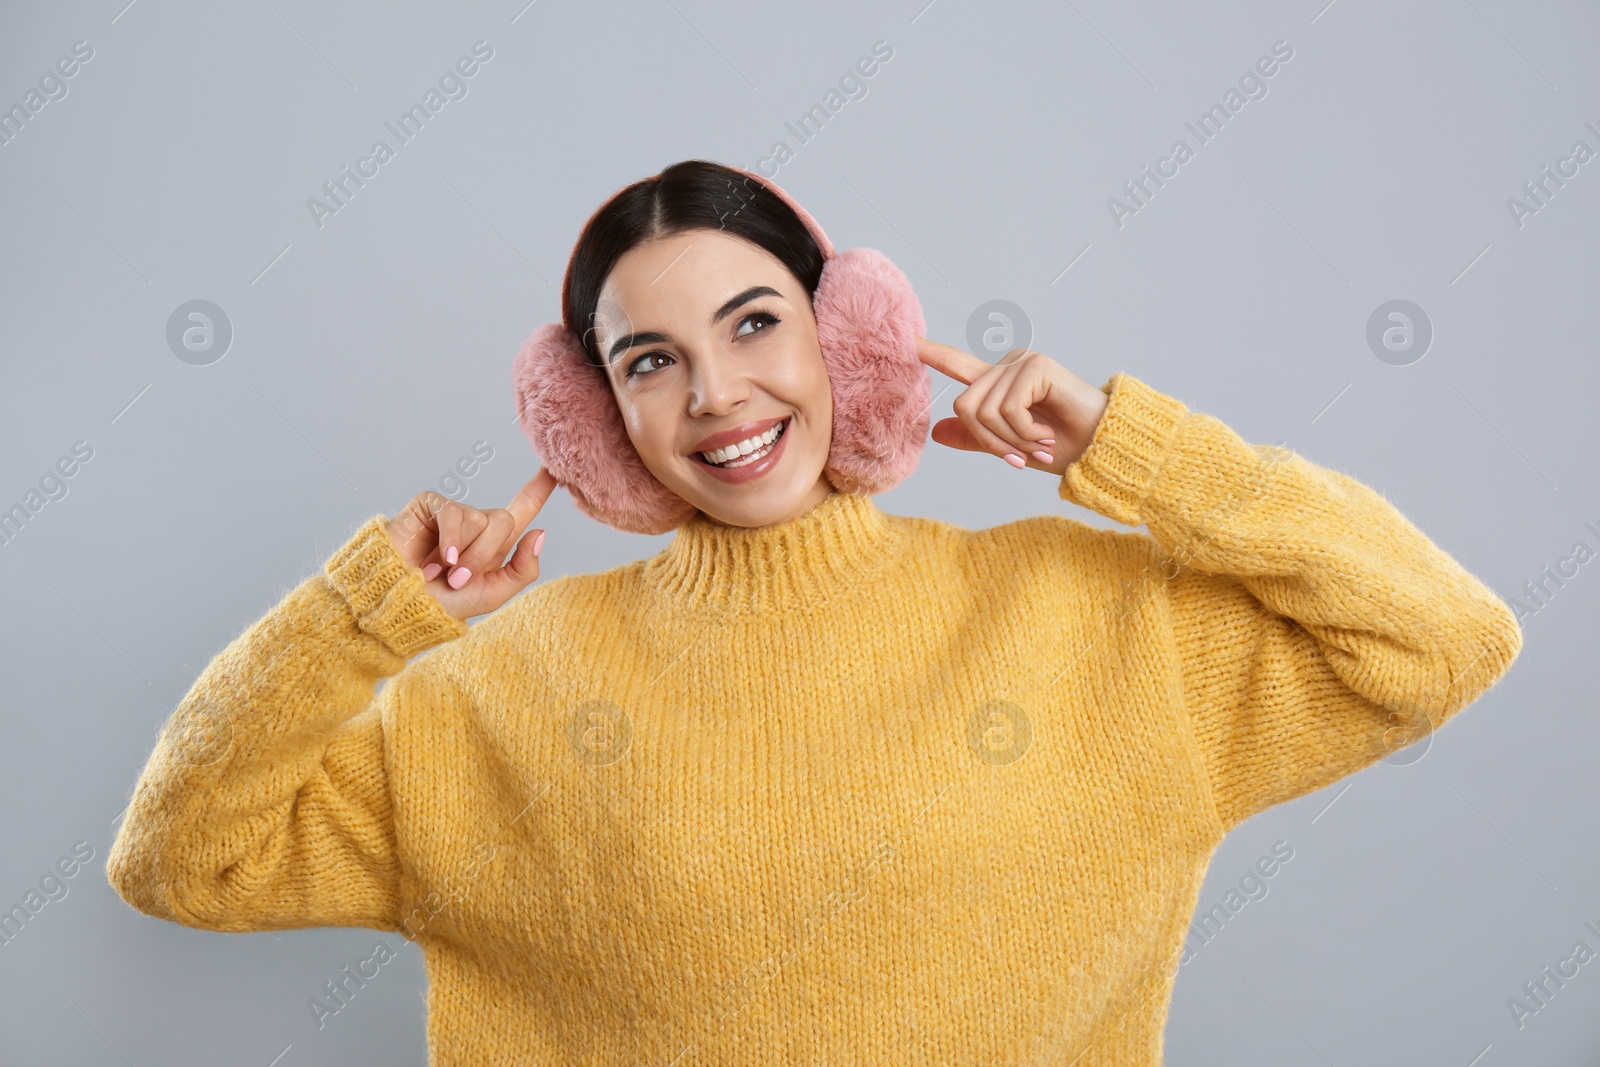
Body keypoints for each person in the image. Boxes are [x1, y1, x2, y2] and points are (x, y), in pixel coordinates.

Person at [106, 159, 1523, 1065]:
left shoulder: (1089, 621)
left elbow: (1442, 636)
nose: (716, 393)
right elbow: (184, 864)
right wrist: (362, 616)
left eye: (754, 322)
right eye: (649, 360)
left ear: (851, 339)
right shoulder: (500, 690)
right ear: (597, 424)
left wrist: (1128, 448)